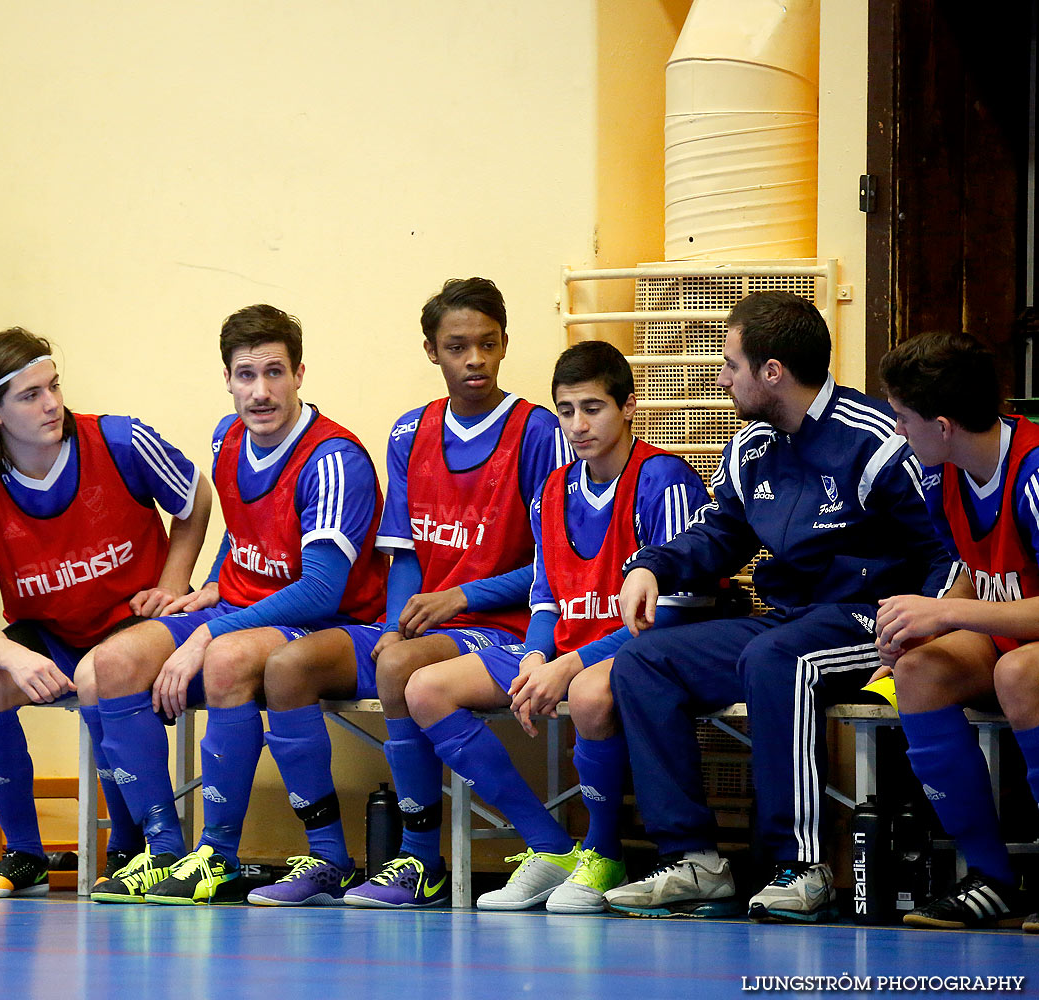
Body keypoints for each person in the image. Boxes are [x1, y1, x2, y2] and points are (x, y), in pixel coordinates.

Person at [602, 290, 955, 923]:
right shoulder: (750, 445)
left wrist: (920, 629)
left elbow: (942, 550)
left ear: (772, 373)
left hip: (867, 617)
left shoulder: (874, 441)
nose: (721, 376)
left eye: (730, 364)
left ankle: (802, 866)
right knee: (643, 663)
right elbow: (720, 534)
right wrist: (653, 564)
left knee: (774, 660)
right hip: (788, 620)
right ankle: (694, 862)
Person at [246, 277, 569, 908]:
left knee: (397, 664)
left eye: (487, 344)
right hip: (426, 624)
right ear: (431, 351)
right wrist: (396, 621)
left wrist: (462, 598)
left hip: (505, 625)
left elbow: (556, 564)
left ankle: (421, 862)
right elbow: (405, 555)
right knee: (287, 668)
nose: (474, 359)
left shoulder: (537, 432)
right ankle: (329, 863)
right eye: (457, 346)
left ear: (504, 345)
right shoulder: (408, 434)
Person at [400, 340, 714, 912]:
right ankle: (550, 847)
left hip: (641, 650)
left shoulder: (663, 478)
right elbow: (544, 595)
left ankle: (603, 853)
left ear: (629, 406)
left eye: (592, 407)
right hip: (564, 647)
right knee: (425, 688)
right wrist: (536, 658)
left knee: (591, 694)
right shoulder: (554, 487)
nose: (577, 424)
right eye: (565, 410)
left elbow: (673, 611)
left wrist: (570, 665)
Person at [89, 304, 387, 904]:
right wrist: (211, 586)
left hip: (333, 624)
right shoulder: (228, 439)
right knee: (112, 663)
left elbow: (321, 589)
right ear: (226, 378)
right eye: (245, 375)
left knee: (223, 658)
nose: (260, 391)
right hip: (248, 612)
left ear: (301, 373)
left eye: (274, 372)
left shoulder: (333, 461)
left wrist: (205, 633)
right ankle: (163, 850)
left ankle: (218, 855)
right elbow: (246, 534)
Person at [0, 328, 212, 898]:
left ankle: (140, 844)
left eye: (54, 386)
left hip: (143, 625)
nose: (51, 404)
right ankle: (24, 855)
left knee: (99, 672)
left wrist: (171, 584)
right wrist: (16, 660)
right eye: (30, 395)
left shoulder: (118, 441)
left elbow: (196, 498)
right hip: (58, 631)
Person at [875, 331, 1039, 932]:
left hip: (1026, 651)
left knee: (1018, 673)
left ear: (942, 425)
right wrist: (923, 627)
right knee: (919, 670)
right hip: (1013, 632)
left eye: (902, 418)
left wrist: (945, 613)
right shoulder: (940, 474)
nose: (897, 433)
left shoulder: (1035, 470)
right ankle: (992, 878)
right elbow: (979, 571)